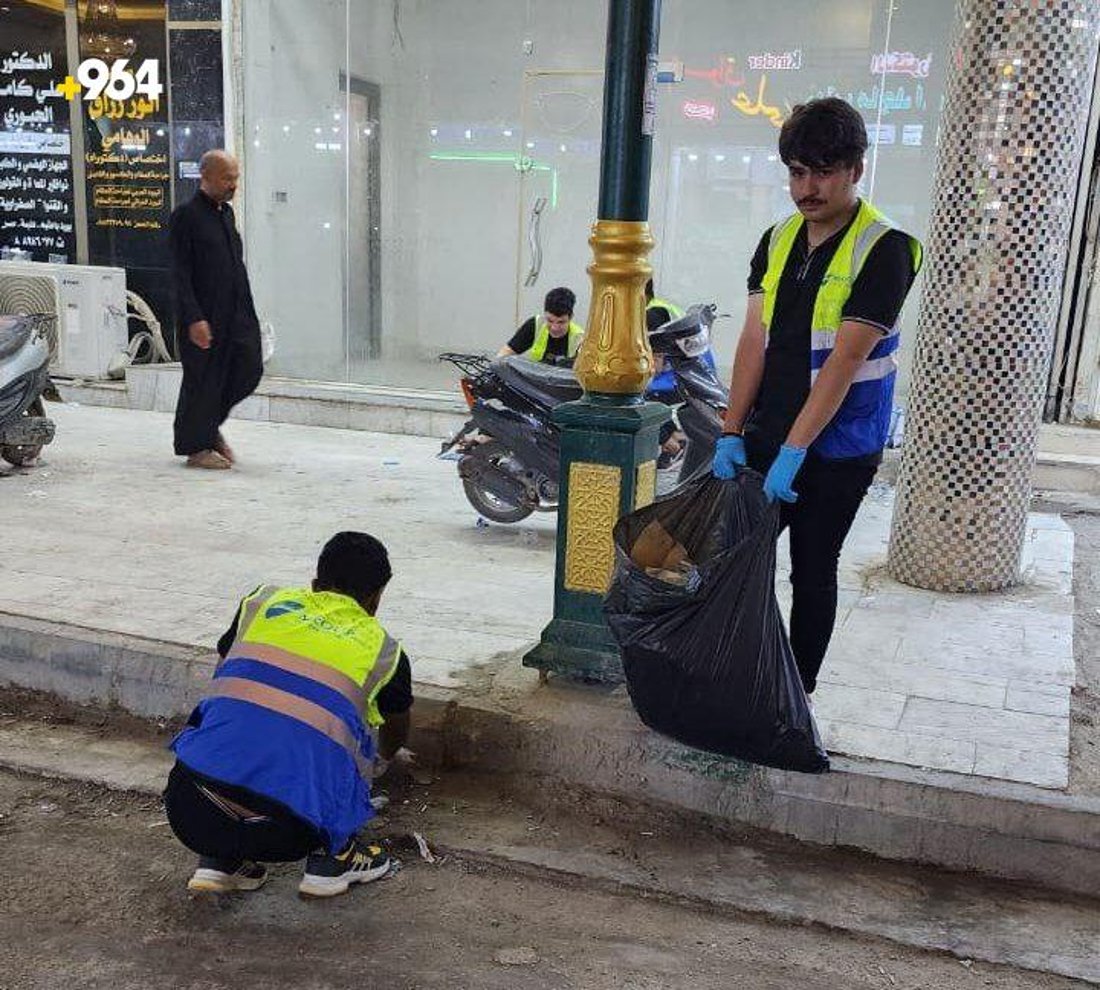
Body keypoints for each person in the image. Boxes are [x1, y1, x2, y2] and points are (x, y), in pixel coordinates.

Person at [712, 97, 922, 697]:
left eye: (823, 171)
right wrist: (731, 430)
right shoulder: (777, 238)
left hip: (839, 448)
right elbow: (755, 337)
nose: (808, 187)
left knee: (811, 569)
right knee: (732, 562)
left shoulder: (885, 249)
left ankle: (793, 695)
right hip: (767, 431)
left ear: (856, 169)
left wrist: (796, 449)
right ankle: (732, 676)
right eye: (798, 172)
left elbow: (846, 358)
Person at [163, 531, 414, 898]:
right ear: (376, 599)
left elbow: (224, 676)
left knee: (237, 724)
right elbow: (396, 728)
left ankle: (219, 860)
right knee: (347, 745)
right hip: (291, 833)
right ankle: (334, 860)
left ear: (315, 583)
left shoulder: (261, 603)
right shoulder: (384, 653)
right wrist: (387, 758)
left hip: (188, 809)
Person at [170, 149, 263, 470]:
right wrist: (194, 318)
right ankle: (196, 447)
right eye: (227, 178)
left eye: (235, 178)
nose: (233, 185)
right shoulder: (185, 216)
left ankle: (207, 428)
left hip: (235, 312)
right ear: (205, 177)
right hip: (203, 316)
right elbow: (180, 273)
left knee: (249, 367)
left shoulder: (225, 214)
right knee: (203, 381)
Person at [644, 278, 717, 398]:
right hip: (699, 368)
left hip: (678, 376)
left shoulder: (652, 313)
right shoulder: (660, 306)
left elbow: (656, 362)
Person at [498, 286, 583, 363]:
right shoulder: (535, 325)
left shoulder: (579, 338)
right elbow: (505, 353)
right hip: (533, 379)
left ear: (571, 317)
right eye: (550, 321)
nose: (555, 328)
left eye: (561, 322)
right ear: (545, 314)